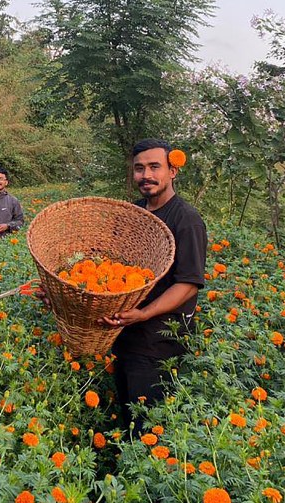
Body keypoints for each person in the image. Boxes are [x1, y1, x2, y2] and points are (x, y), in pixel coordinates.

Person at [101, 139, 207, 432]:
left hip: (158, 343)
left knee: (148, 428)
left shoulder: (186, 219)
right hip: (124, 334)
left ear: (173, 170)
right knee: (127, 418)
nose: (146, 175)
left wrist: (145, 313)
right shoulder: (134, 214)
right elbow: (109, 268)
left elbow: (188, 284)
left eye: (154, 167)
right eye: (139, 168)